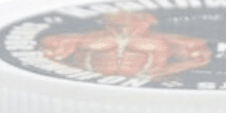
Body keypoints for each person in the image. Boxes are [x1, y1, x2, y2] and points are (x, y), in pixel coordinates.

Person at [40, 11, 211, 81]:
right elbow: (49, 55)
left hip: (147, 92)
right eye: (122, 17)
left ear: (148, 21)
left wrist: (165, 71)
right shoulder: (83, 39)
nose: (127, 22)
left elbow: (201, 58)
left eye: (135, 18)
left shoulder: (161, 42)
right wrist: (76, 72)